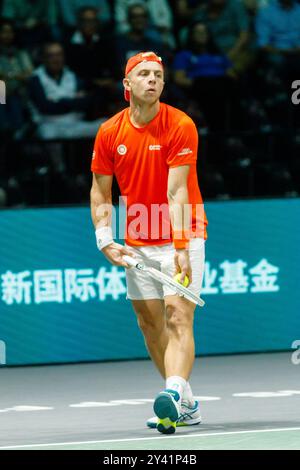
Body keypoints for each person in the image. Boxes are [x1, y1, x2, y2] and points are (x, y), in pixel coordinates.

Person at [90, 51, 208, 434]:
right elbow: (100, 189)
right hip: (138, 235)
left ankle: (172, 391)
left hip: (181, 231)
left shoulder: (180, 124)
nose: (153, 79)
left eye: (158, 74)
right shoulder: (110, 131)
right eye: (144, 74)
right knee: (150, 322)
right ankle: (185, 402)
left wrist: (180, 247)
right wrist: (105, 238)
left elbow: (177, 192)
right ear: (127, 85)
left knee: (178, 315)